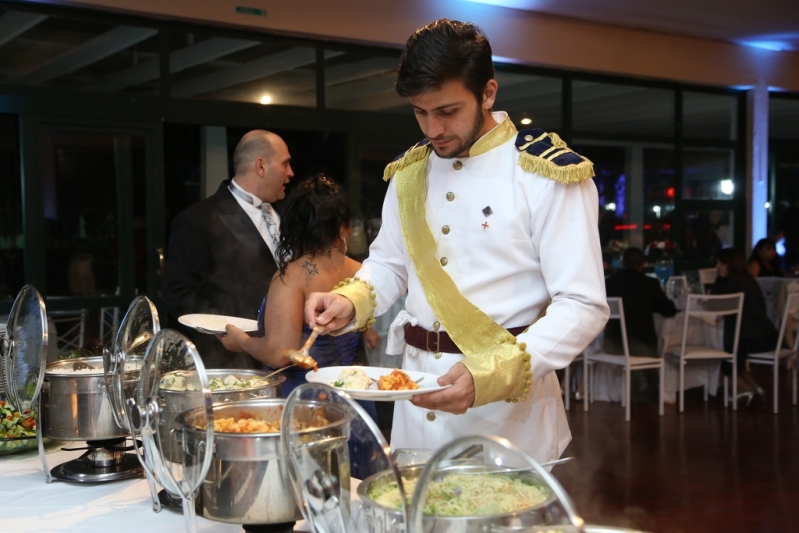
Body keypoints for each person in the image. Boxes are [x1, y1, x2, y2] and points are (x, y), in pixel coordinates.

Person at [303, 19, 609, 463]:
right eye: (420, 112)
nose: (433, 129)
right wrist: (350, 301)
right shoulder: (409, 174)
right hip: (414, 399)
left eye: (447, 111)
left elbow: (583, 305)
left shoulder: (544, 173)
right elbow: (389, 264)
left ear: (487, 92)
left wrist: (491, 373)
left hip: (507, 413)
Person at [219, 173, 379, 478]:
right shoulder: (362, 273)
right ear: (343, 228)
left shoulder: (291, 277)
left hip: (303, 407)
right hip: (355, 404)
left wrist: (240, 341)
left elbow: (280, 353)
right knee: (353, 500)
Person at [163, 130, 294, 369]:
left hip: (290, 360)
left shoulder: (291, 215)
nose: (291, 173)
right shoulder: (197, 219)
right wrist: (234, 335)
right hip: (233, 364)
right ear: (261, 166)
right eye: (285, 164)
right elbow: (179, 295)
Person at [711, 247, 777, 404]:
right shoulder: (747, 280)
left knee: (722, 352)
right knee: (729, 349)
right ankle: (752, 387)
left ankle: (743, 388)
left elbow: (715, 307)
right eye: (717, 263)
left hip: (751, 338)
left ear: (732, 264)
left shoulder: (733, 284)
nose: (718, 267)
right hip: (767, 335)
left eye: (722, 263)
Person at [605, 248, 678, 358]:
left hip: (612, 345)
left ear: (622, 263)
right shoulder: (649, 284)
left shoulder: (609, 283)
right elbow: (669, 310)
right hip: (642, 347)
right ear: (643, 264)